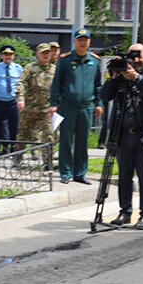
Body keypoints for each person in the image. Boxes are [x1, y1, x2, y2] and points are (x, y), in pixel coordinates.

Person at [101, 43, 143, 229]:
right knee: (124, 177)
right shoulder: (120, 78)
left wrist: (137, 78)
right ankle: (125, 212)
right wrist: (114, 77)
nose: (135, 60)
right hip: (123, 135)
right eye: (132, 55)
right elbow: (105, 96)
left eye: (139, 55)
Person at [49, 28, 103, 184]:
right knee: (66, 140)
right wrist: (54, 104)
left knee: (82, 141)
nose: (82, 42)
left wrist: (98, 103)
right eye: (79, 39)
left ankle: (80, 173)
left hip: (87, 107)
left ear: (89, 42)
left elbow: (98, 85)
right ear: (74, 41)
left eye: (85, 40)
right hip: (67, 106)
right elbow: (56, 83)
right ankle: (65, 172)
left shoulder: (94, 61)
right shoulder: (65, 60)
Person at [15, 43, 56, 169]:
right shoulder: (30, 68)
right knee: (23, 135)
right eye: (43, 52)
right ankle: (17, 159)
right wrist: (20, 99)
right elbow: (20, 83)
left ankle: (47, 163)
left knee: (49, 136)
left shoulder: (55, 69)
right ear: (37, 54)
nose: (46, 55)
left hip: (46, 110)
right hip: (30, 109)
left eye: (48, 52)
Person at [0, 44, 23, 156]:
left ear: (14, 55)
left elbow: (21, 85)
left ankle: (13, 149)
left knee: (14, 127)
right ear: (1, 55)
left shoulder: (18, 68)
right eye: (5, 54)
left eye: (11, 54)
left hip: (13, 101)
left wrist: (21, 98)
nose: (8, 56)